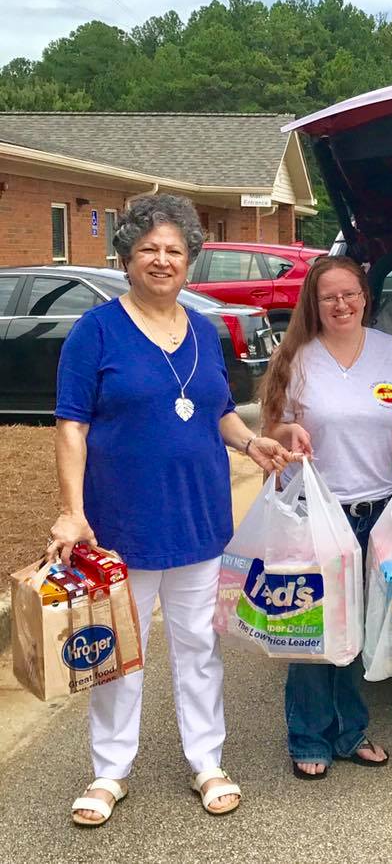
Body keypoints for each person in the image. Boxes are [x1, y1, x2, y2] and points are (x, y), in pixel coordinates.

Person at [49, 194, 293, 827]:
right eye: (149, 249)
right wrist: (72, 513)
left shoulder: (203, 332)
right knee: (117, 653)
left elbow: (213, 411)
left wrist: (250, 440)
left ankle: (207, 761)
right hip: (120, 526)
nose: (162, 260)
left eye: (174, 251)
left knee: (199, 649)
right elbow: (71, 427)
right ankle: (109, 773)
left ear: (190, 262)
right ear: (127, 256)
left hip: (200, 521)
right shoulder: (95, 331)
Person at [260, 256, 392, 779]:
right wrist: (289, 435)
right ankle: (308, 735)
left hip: (375, 508)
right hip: (316, 510)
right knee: (312, 630)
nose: (341, 305)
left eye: (350, 294)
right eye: (329, 296)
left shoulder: (391, 352)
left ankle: (350, 731)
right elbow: (272, 428)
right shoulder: (297, 356)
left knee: (357, 629)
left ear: (365, 297)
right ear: (314, 302)